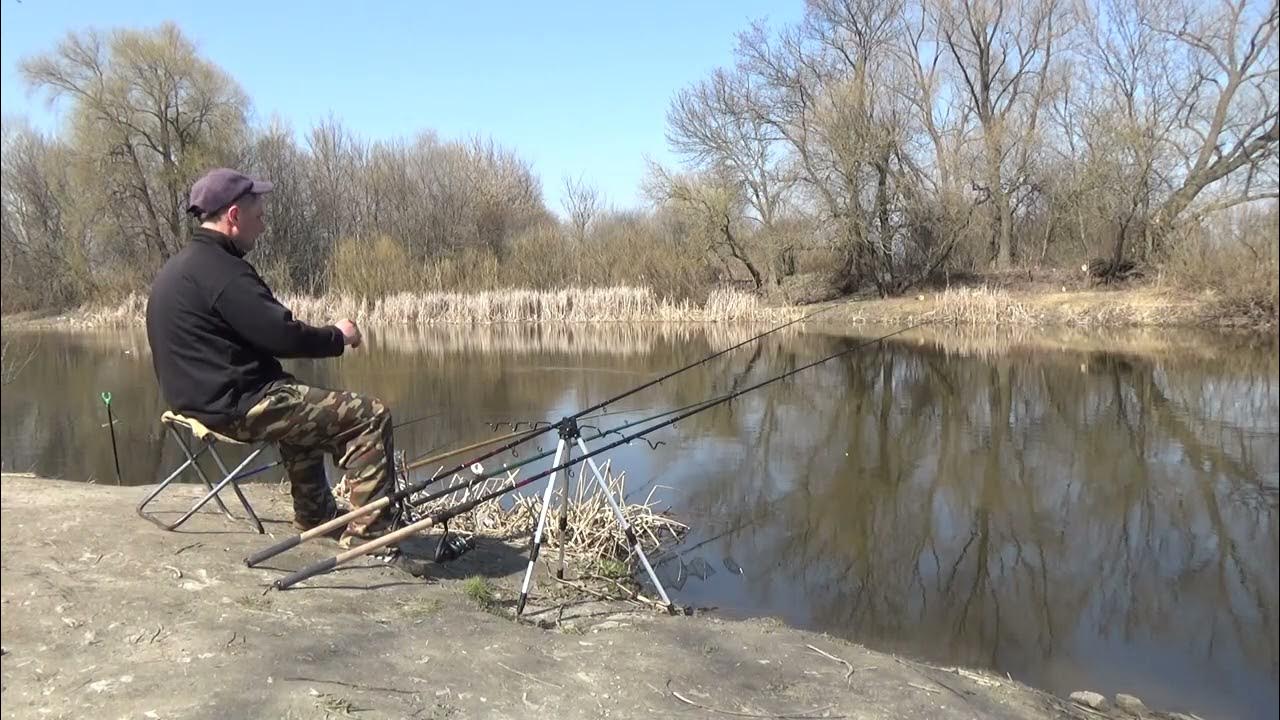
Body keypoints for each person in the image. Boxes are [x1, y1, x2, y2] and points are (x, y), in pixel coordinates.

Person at [145, 167, 424, 574]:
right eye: (259, 214)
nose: (264, 223)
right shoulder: (224, 272)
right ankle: (371, 539)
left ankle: (315, 514)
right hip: (236, 407)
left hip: (196, 403)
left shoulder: (180, 268)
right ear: (234, 215)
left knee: (299, 401)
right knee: (369, 415)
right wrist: (338, 336)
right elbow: (282, 336)